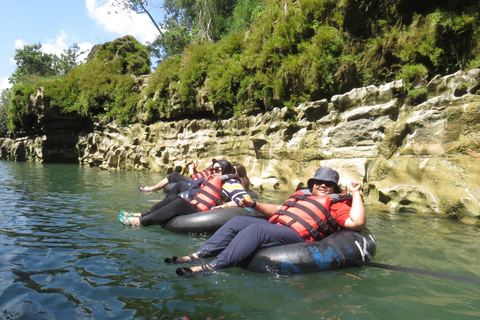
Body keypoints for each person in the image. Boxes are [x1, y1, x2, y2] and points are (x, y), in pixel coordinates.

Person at [167, 167, 366, 277]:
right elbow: (280, 210)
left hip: (298, 236)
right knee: (237, 221)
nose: (322, 185)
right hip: (278, 227)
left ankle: (211, 267)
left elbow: (356, 222)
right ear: (312, 184)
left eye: (328, 184)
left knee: (256, 229)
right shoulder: (302, 196)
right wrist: (254, 204)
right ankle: (196, 255)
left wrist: (356, 193)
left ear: (334, 187)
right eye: (318, 182)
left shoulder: (336, 204)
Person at [119, 160, 253, 227]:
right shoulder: (215, 180)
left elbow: (245, 198)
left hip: (209, 213)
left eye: (217, 169)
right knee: (175, 197)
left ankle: (140, 222)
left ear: (225, 170)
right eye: (213, 169)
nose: (213, 171)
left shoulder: (231, 182)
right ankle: (141, 214)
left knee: (178, 202)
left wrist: (225, 206)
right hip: (200, 207)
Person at [137, 160, 213, 192]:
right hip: (192, 179)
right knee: (174, 176)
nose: (214, 163)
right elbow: (197, 176)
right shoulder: (209, 169)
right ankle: (154, 188)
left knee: (174, 175)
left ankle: (151, 189)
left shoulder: (215, 173)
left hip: (193, 183)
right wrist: (194, 169)